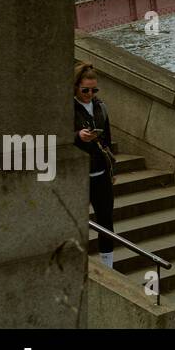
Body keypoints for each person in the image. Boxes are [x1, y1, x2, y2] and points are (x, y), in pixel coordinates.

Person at [73, 63, 116, 269]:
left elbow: (107, 140)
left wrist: (111, 169)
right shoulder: (67, 108)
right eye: (85, 90)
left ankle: (108, 265)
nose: (90, 94)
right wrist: (78, 136)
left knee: (106, 219)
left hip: (101, 172)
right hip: (78, 175)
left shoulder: (101, 108)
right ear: (75, 87)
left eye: (93, 90)